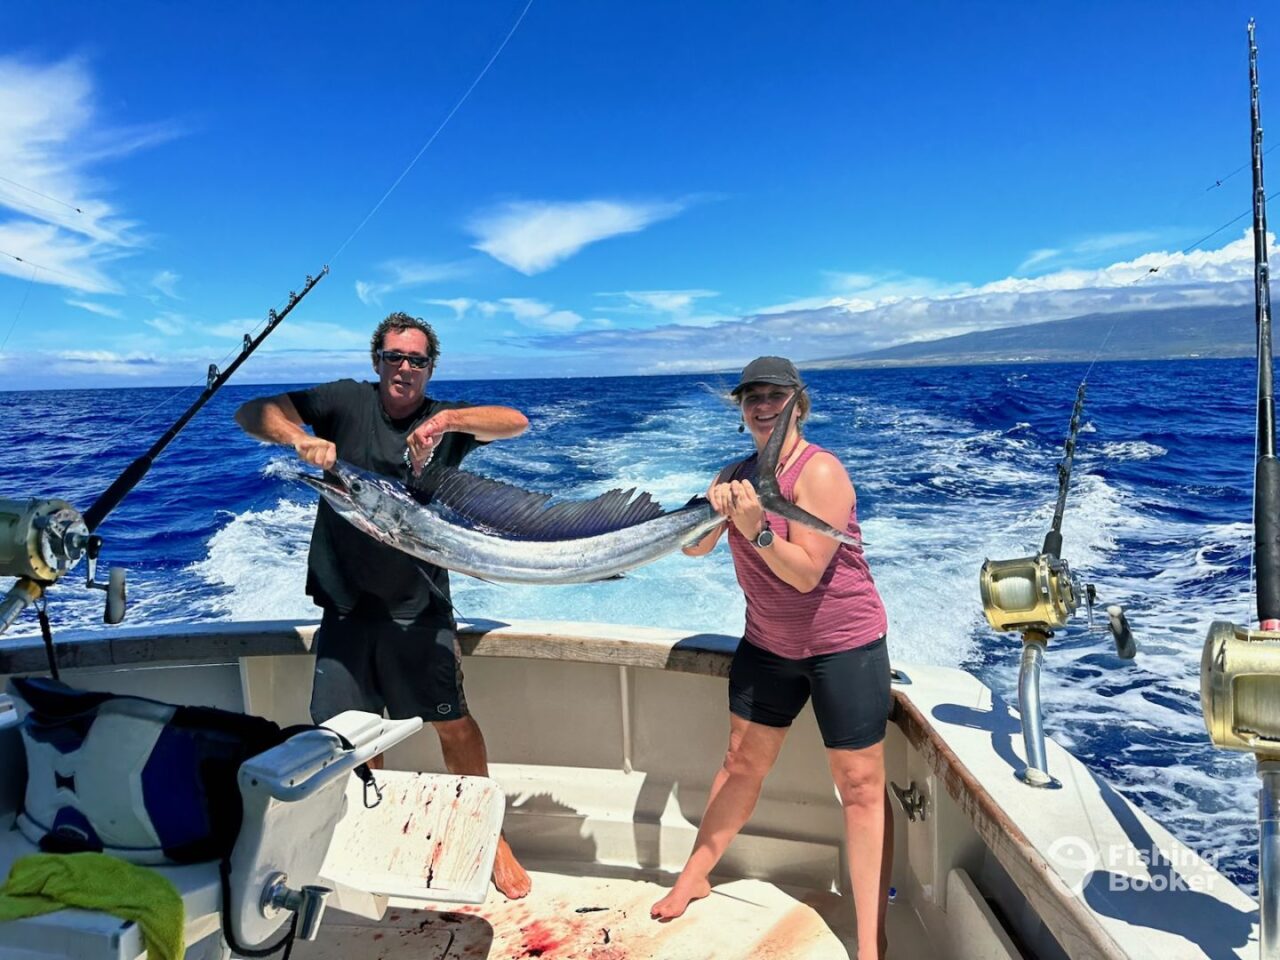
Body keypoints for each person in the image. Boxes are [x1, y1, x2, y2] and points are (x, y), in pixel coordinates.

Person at [234, 311, 532, 900]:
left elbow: (516, 422)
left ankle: (490, 833)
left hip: (418, 604)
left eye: (416, 360)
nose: (404, 368)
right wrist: (301, 438)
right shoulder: (346, 401)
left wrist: (447, 420)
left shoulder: (442, 422)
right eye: (394, 357)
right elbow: (254, 411)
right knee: (346, 734)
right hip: (346, 603)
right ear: (377, 362)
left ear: (429, 368)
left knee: (452, 721)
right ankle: (378, 825)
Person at [650, 356, 893, 959]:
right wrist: (711, 516)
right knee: (739, 764)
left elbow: (809, 575)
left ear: (798, 403)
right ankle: (694, 877)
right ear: (741, 410)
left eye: (775, 395)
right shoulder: (734, 475)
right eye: (751, 396)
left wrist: (758, 528)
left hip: (845, 646)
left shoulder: (822, 474)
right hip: (769, 644)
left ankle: (870, 942)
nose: (763, 405)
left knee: (859, 786)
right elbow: (694, 549)